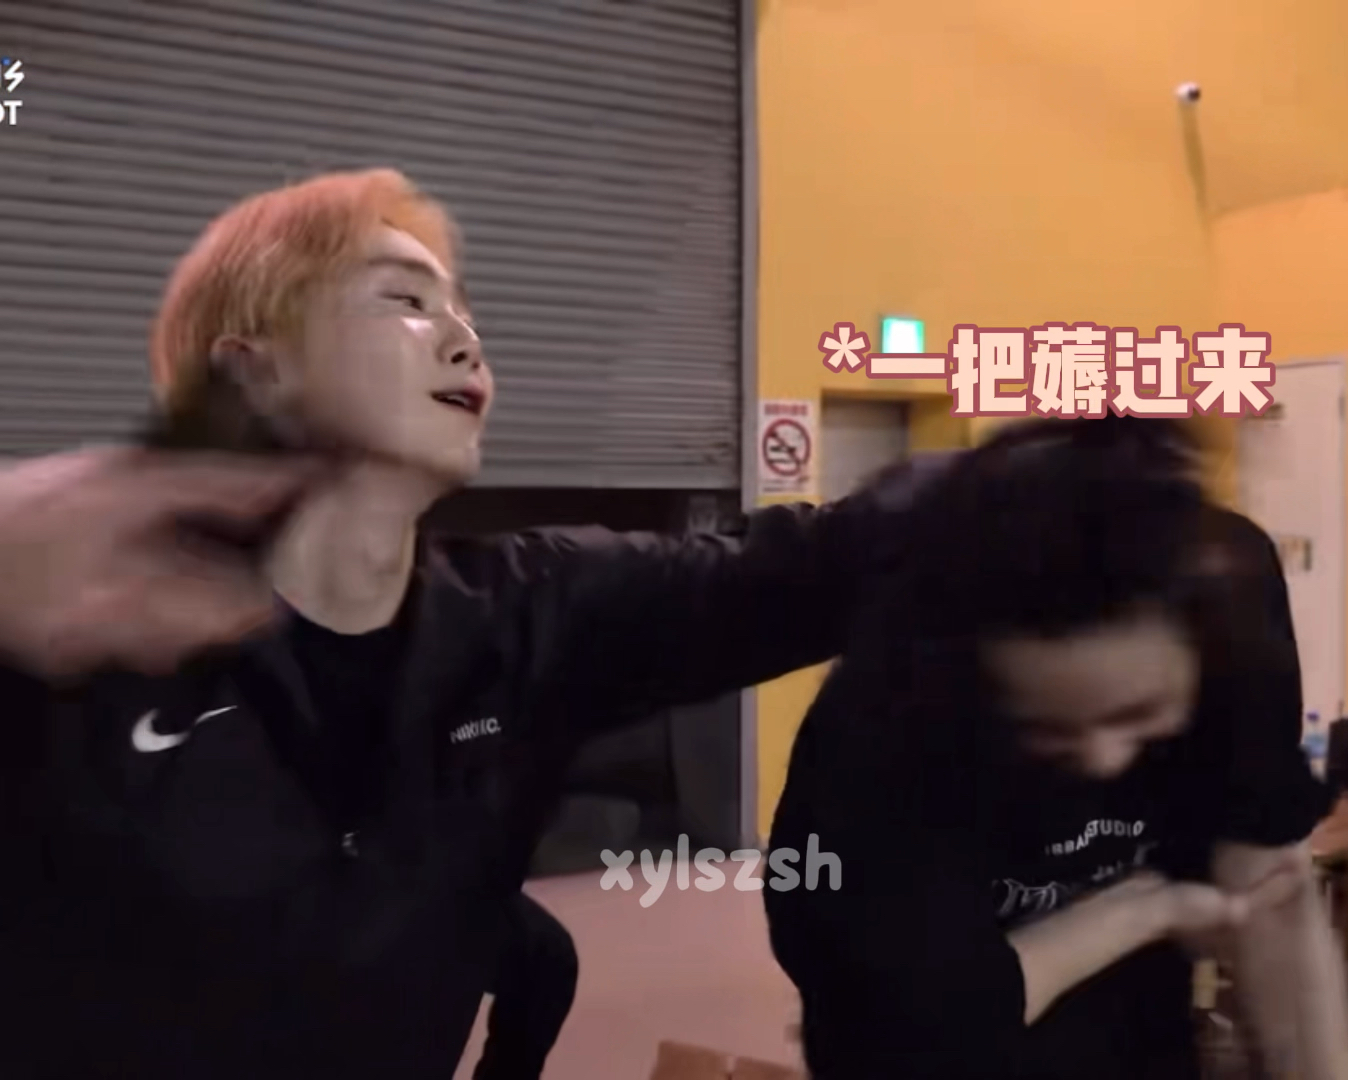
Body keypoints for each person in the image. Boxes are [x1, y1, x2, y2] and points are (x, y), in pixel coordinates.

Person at [0, 167, 957, 1076]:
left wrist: (1038, 482)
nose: (465, 340)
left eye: (464, 312)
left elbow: (817, 567)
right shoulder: (73, 635)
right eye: (405, 300)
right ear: (252, 376)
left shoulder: (527, 612)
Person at [764, 417, 1348, 1079]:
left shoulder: (1229, 623)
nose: (1105, 758)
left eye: (1140, 714)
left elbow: (1274, 900)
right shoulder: (883, 722)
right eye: (1047, 728)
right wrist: (1142, 907)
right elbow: (924, 1029)